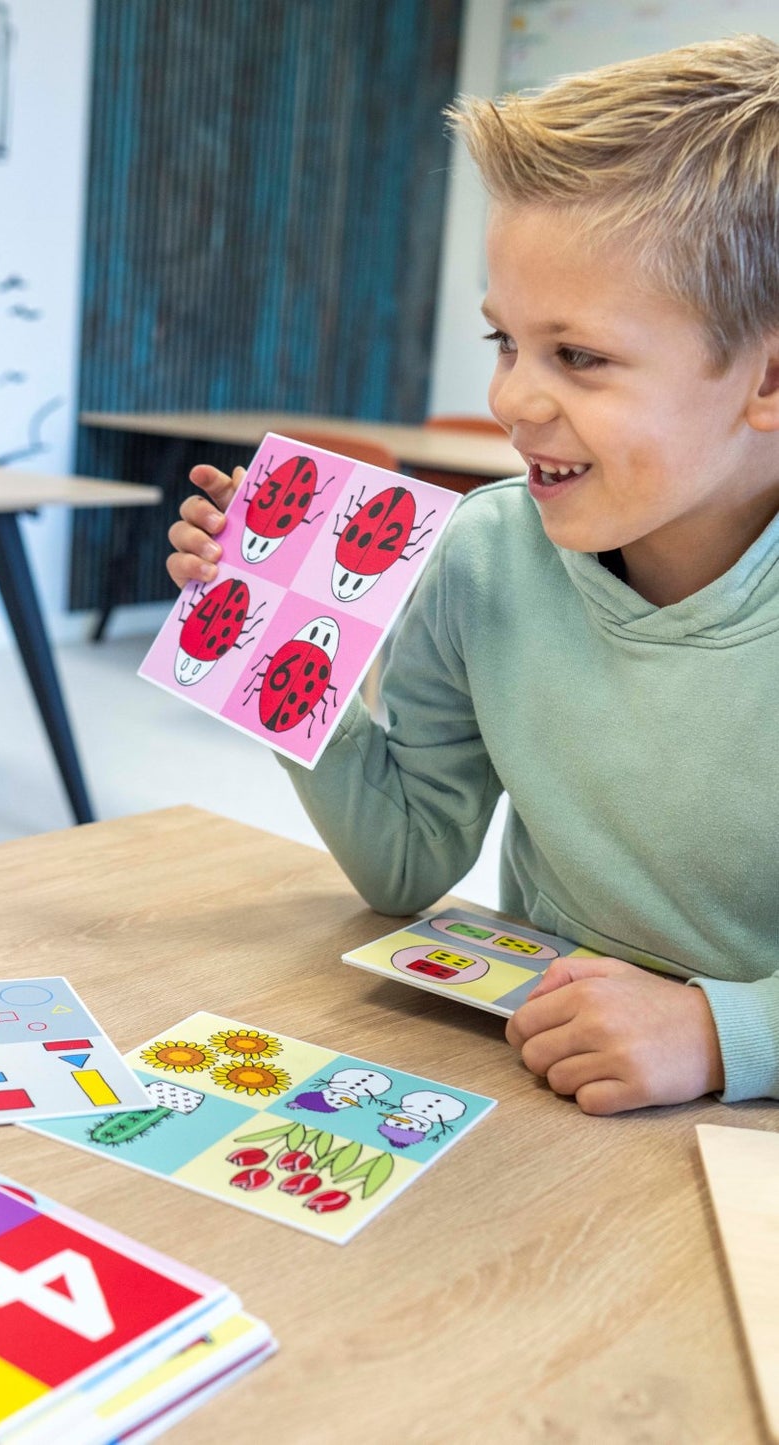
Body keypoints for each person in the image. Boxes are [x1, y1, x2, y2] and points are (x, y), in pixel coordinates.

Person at [166, 36, 779, 1114]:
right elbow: (403, 864)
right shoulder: (487, 554)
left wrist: (722, 1034)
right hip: (549, 1094)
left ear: (765, 379)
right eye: (503, 341)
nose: (509, 401)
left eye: (577, 356)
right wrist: (267, 644)